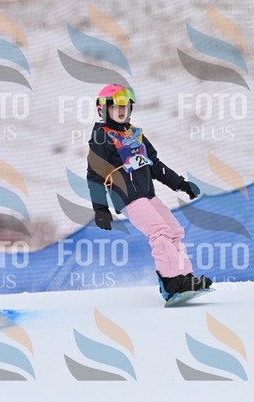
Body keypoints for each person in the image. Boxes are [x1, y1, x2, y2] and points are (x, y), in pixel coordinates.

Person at [86, 84, 212, 300]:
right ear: (103, 110)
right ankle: (171, 282)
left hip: (147, 195)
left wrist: (181, 184)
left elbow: (155, 165)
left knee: (174, 231)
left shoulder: (135, 134)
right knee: (159, 232)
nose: (121, 110)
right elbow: (94, 175)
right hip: (127, 196)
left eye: (125, 106)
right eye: (115, 106)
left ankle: (184, 276)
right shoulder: (101, 136)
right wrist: (100, 208)